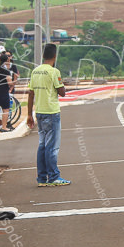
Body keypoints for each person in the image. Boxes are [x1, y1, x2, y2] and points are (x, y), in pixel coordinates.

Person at [27, 43, 70, 187]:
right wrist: (62, 83)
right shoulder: (54, 72)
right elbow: (62, 92)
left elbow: (31, 94)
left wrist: (29, 114)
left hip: (39, 112)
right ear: (54, 56)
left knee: (42, 145)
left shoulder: (35, 71)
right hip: (51, 112)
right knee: (52, 147)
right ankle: (53, 176)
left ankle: (42, 177)